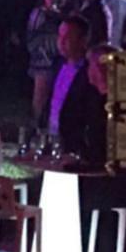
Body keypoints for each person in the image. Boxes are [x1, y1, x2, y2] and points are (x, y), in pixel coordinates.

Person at [51, 16, 95, 154]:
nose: (61, 42)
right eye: (60, 36)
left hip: (74, 146)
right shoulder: (58, 65)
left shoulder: (89, 74)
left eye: (67, 37)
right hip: (53, 139)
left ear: (83, 41)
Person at [26, 0, 63, 134]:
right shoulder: (39, 14)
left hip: (56, 58)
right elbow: (32, 35)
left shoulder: (60, 15)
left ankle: (48, 127)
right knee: (40, 94)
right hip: (42, 58)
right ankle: (35, 126)